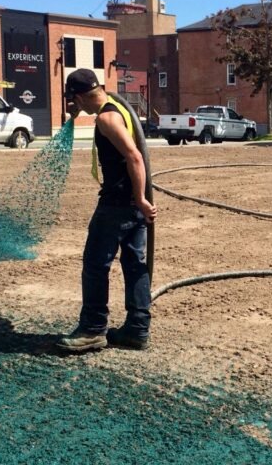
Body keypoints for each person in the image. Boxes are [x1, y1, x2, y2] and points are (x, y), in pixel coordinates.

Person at [58, 69, 158, 353]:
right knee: (134, 264)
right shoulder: (116, 107)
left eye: (75, 100)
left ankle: (92, 328)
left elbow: (134, 157)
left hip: (117, 204)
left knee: (94, 265)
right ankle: (137, 330)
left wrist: (139, 198)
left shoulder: (107, 118)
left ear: (78, 95)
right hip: (131, 205)